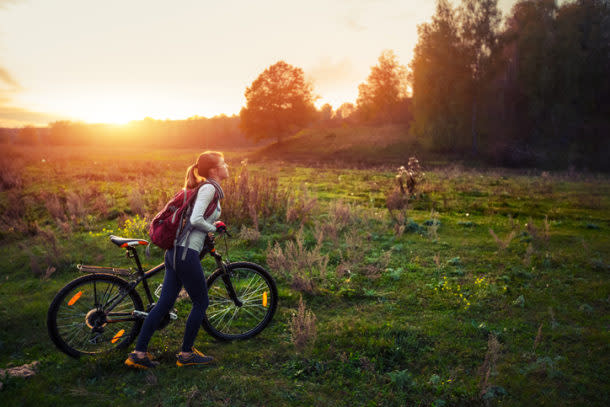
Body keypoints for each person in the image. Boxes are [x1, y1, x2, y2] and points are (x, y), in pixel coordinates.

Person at [125, 151, 229, 369]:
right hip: (184, 254)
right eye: (223, 163)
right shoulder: (209, 188)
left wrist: (207, 231)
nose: (227, 166)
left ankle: (138, 354)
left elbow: (193, 220)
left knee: (164, 304)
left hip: (175, 253)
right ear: (213, 170)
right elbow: (196, 219)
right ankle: (186, 354)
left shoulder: (205, 188)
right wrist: (213, 228)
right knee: (201, 302)